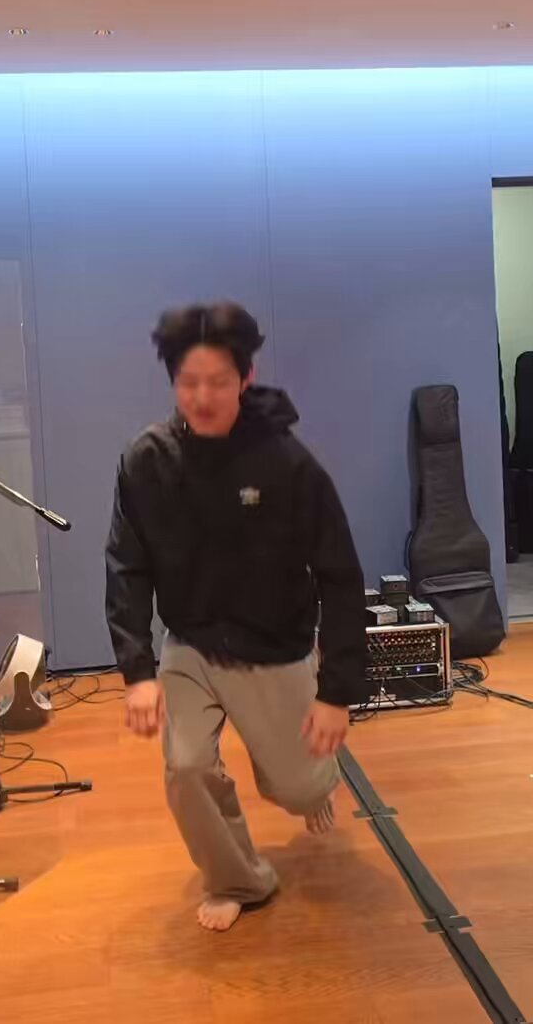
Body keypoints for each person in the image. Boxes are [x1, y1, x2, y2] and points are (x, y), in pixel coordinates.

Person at [105, 302, 368, 932]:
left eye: (218, 382)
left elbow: (340, 574)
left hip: (272, 646)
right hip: (191, 644)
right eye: (189, 382)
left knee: (298, 789)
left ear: (245, 378)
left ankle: (315, 786)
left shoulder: (288, 465)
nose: (202, 397)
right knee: (187, 766)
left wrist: (337, 693)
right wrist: (138, 672)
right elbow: (126, 566)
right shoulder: (146, 461)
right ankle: (239, 879)